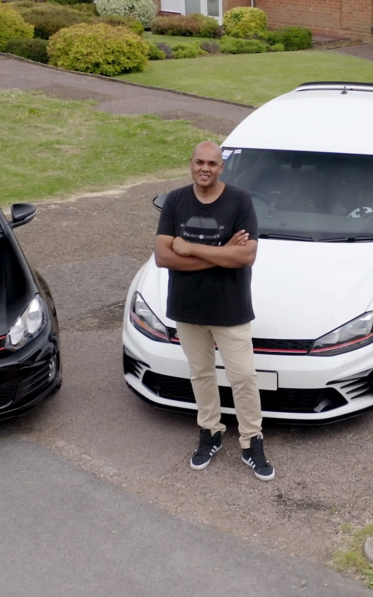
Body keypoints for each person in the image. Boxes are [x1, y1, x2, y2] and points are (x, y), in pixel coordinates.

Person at [155, 141, 274, 481]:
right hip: (187, 308)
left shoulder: (239, 201)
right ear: (190, 164)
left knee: (244, 377)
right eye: (199, 162)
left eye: (212, 163)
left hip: (231, 308)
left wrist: (190, 247)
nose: (204, 168)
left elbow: (245, 256)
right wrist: (220, 255)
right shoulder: (176, 201)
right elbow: (163, 256)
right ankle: (211, 431)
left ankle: (252, 441)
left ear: (221, 167)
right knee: (202, 374)